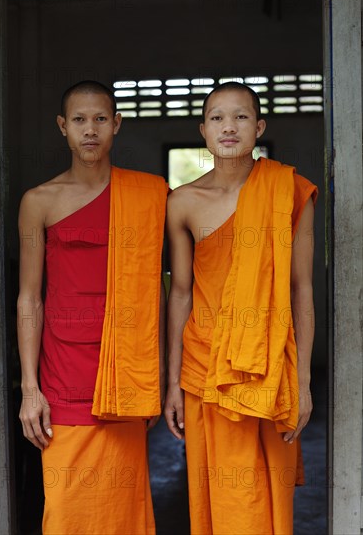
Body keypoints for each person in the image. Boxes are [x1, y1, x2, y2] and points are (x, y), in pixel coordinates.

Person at [164, 81, 318, 534]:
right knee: (223, 498)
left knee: (268, 496)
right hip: (206, 368)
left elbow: (301, 289)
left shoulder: (287, 191)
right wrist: (172, 383)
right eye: (217, 118)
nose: (229, 127)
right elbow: (180, 293)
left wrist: (303, 382)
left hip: (271, 368)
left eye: (241, 117)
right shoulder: (183, 202)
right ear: (203, 130)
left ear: (260, 126)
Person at [17, 80, 168, 535]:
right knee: (66, 512)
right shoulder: (39, 202)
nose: (90, 130)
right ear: (63, 127)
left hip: (125, 372)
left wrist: (160, 375)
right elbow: (29, 297)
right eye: (79, 120)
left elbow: (162, 288)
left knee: (122, 509)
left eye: (101, 119)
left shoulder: (149, 195)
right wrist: (29, 389)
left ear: (116, 124)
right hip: (63, 376)